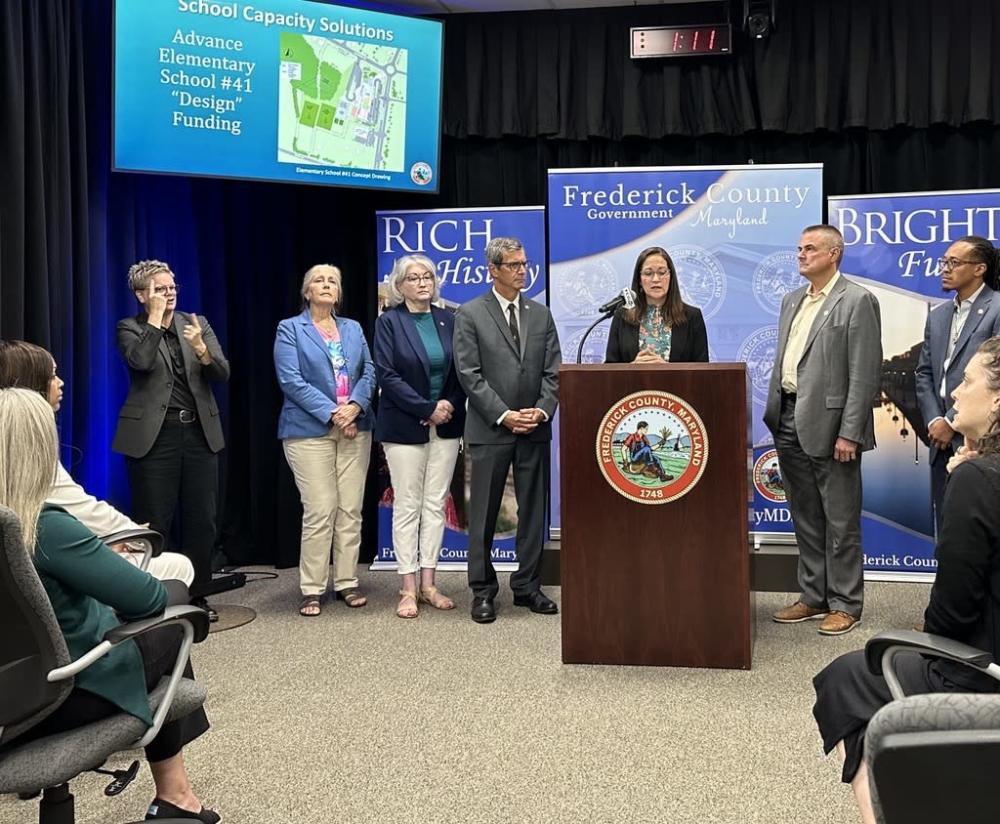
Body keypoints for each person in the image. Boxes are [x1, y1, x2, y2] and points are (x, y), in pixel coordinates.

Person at [0, 387, 218, 823]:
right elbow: (147, 597)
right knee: (173, 610)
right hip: (60, 693)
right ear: (41, 449)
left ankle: (177, 798)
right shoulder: (45, 526)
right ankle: (176, 797)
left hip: (8, 699)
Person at [813, 335, 1000, 824]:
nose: (955, 392)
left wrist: (966, 480)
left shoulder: (976, 481)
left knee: (848, 676)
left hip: (984, 675)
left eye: (969, 380)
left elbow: (950, 618)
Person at [764, 225, 882, 636]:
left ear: (834, 253)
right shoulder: (791, 300)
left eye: (810, 248)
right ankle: (814, 596)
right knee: (805, 515)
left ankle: (847, 604)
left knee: (841, 519)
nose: (801, 254)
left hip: (833, 427)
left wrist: (850, 432)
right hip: (787, 418)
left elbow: (864, 374)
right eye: (798, 248)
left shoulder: (857, 300)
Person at [0, 339, 194, 586]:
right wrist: (135, 535)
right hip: (52, 576)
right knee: (179, 567)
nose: (60, 383)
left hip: (25, 581)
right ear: (30, 384)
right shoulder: (30, 450)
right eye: (52, 376)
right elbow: (81, 508)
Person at [453, 237, 562, 624]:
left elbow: (553, 372)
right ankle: (482, 591)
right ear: (493, 270)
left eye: (524, 264)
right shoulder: (469, 313)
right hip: (490, 429)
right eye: (514, 265)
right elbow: (469, 374)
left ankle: (527, 587)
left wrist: (542, 411)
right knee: (483, 514)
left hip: (534, 428)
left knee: (533, 512)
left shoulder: (540, 314)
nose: (522, 271)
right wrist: (504, 414)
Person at [113, 260, 229, 618]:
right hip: (154, 437)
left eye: (172, 286)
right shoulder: (129, 327)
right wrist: (154, 319)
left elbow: (221, 372)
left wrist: (202, 350)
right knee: (154, 518)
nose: (170, 292)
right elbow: (141, 362)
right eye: (161, 288)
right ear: (141, 295)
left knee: (201, 519)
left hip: (197, 432)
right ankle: (154, 597)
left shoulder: (196, 324)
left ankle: (197, 596)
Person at [274, 264, 376, 617]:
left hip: (356, 427)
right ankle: (313, 587)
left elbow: (369, 371)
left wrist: (356, 406)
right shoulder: (290, 329)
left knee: (350, 508)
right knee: (320, 508)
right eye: (319, 280)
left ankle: (347, 581)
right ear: (306, 292)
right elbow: (291, 380)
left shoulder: (352, 328)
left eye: (333, 280)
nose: (326, 284)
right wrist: (335, 412)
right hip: (308, 430)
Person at [373, 255, 466, 619]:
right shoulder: (389, 322)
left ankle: (429, 584)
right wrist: (426, 408)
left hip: (446, 424)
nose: (423, 283)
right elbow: (387, 374)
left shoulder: (450, 320)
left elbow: (461, 372)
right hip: (404, 426)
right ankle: (407, 588)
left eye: (427, 276)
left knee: (435, 503)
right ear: (400, 286)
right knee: (408, 504)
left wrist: (446, 406)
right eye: (413, 278)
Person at [915, 235, 1000, 533]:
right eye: (944, 262)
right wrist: (935, 420)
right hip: (939, 440)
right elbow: (924, 373)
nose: (945, 269)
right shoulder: (938, 316)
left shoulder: (997, 308)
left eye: (954, 262)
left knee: (980, 528)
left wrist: (952, 422)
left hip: (982, 440)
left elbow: (995, 379)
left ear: (979, 269)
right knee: (948, 526)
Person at [604, 246, 709, 364]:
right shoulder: (622, 315)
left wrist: (666, 370)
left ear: (671, 277)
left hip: (676, 383)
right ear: (639, 280)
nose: (655, 279)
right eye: (648, 273)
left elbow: (702, 373)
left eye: (662, 272)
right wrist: (632, 368)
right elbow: (610, 369)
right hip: (632, 383)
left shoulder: (692, 316)